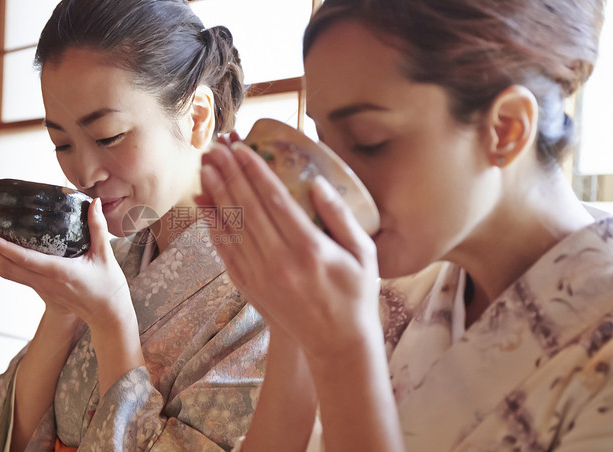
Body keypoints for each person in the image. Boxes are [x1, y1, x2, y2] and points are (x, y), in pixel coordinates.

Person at [198, 0, 613, 450]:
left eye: (368, 141)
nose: (338, 181)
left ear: (506, 129)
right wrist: (293, 331)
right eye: (322, 141)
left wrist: (342, 354)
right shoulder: (387, 292)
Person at [0, 1, 266, 451]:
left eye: (109, 137)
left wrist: (108, 318)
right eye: (62, 144)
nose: (84, 174)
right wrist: (63, 311)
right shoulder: (114, 258)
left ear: (197, 117)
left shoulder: (270, 286)